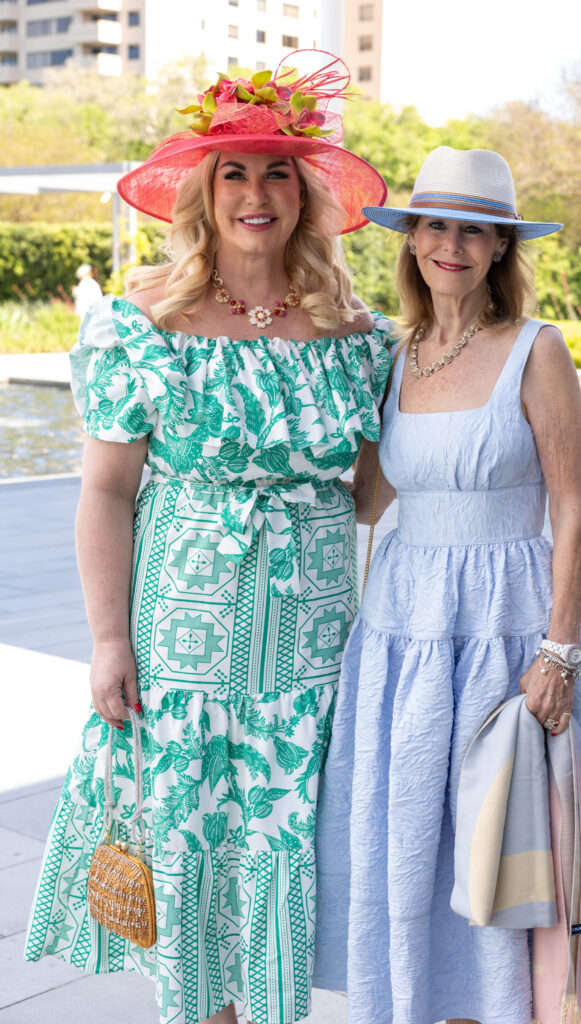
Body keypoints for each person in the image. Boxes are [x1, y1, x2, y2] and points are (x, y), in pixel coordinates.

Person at [24, 52, 392, 1024]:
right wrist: (109, 638)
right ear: (202, 191)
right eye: (233, 171)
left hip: (312, 654)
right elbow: (104, 492)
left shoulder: (356, 335)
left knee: (289, 863)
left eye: (278, 171)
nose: (256, 192)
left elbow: (370, 493)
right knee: (193, 868)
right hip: (184, 650)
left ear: (307, 194)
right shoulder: (142, 328)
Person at [313, 147, 581, 1024]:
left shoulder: (535, 350)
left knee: (502, 841)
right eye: (436, 226)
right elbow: (367, 498)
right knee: (414, 840)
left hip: (507, 629)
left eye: (475, 230)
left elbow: (571, 513)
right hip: (400, 628)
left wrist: (557, 650)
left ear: (501, 248)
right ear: (411, 241)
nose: (451, 244)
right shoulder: (394, 357)